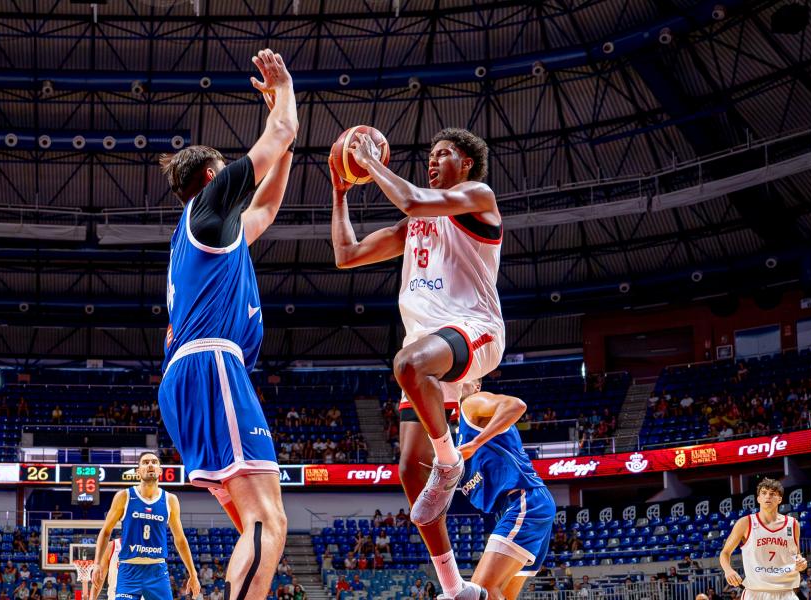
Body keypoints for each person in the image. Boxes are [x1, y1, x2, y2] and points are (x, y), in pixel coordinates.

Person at [331, 126, 501, 600]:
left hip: (475, 331)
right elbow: (346, 255)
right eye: (430, 154)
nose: (432, 160)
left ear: (465, 164)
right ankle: (454, 588)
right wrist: (340, 191)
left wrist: (370, 163)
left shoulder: (477, 196)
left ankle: (450, 464)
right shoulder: (415, 226)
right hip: (432, 348)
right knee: (408, 470)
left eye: (443, 153)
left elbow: (410, 199)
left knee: (406, 364)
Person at [156, 47, 297, 600]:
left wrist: (286, 147)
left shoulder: (213, 236)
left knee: (263, 527)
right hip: (213, 366)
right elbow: (279, 127)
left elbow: (266, 210)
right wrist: (282, 94)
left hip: (190, 376)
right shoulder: (210, 206)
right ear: (215, 178)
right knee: (269, 520)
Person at [453, 380, 556, 600]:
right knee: (500, 595)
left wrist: (476, 443)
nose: (457, 379)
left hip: (523, 500)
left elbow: (516, 405)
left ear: (477, 385)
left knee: (482, 591)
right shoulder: (458, 432)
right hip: (521, 504)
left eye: (464, 376)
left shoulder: (471, 404)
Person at [91, 452, 201, 599]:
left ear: (160, 471)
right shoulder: (124, 496)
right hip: (129, 570)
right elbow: (106, 532)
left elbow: (180, 540)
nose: (150, 464)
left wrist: (193, 573)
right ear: (138, 472)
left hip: (157, 571)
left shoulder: (170, 500)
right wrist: (97, 563)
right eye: (145, 462)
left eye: (154, 462)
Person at [718, 478, 808, 600]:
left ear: (780, 499)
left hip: (786, 592)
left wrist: (801, 562)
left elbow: (796, 555)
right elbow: (725, 552)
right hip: (756, 592)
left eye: (772, 494)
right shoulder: (745, 523)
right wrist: (728, 570)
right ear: (758, 498)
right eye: (764, 493)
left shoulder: (793, 524)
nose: (768, 497)